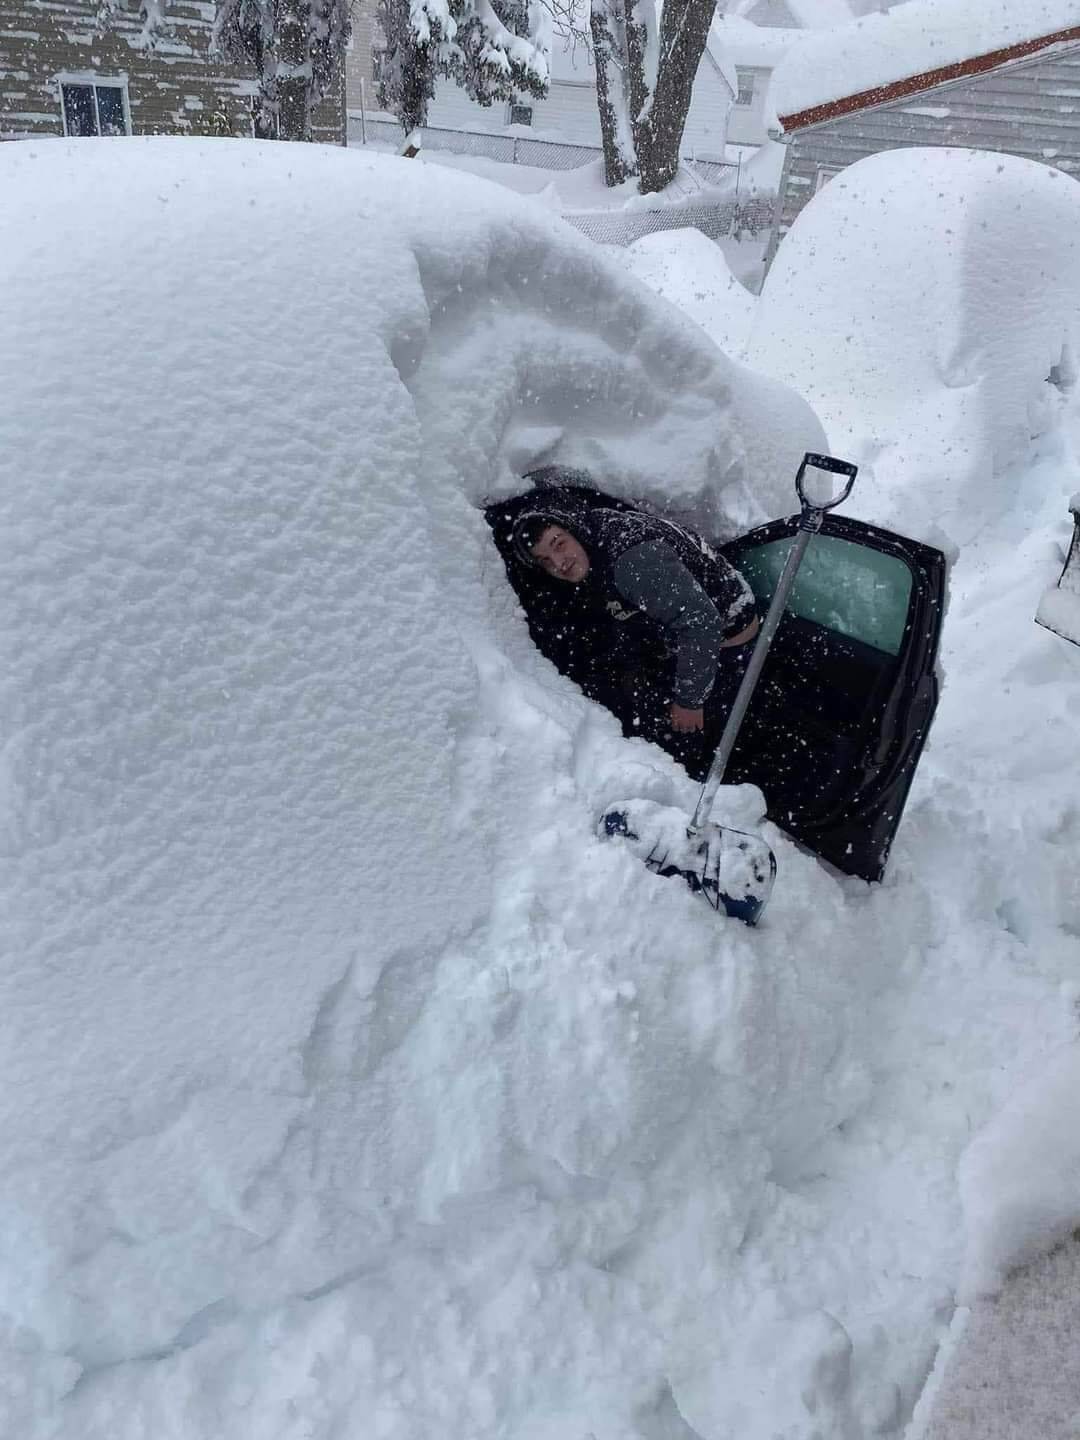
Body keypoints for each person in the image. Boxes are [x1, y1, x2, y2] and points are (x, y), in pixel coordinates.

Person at [509, 491, 759, 780]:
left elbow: (701, 624)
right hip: (692, 628)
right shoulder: (597, 534)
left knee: (677, 733)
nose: (559, 562)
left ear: (573, 530)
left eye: (559, 544)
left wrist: (690, 702)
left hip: (728, 642)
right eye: (546, 560)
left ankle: (695, 780)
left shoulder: (631, 561)